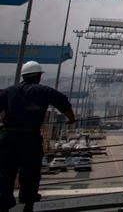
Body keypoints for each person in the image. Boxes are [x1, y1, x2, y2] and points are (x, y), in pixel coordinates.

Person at [0, 62, 75, 212]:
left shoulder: (9, 91)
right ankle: (28, 203)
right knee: (30, 172)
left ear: (23, 75)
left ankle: (3, 204)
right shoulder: (44, 91)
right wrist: (71, 119)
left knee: (5, 173)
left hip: (7, 137)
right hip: (30, 136)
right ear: (39, 76)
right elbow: (64, 103)